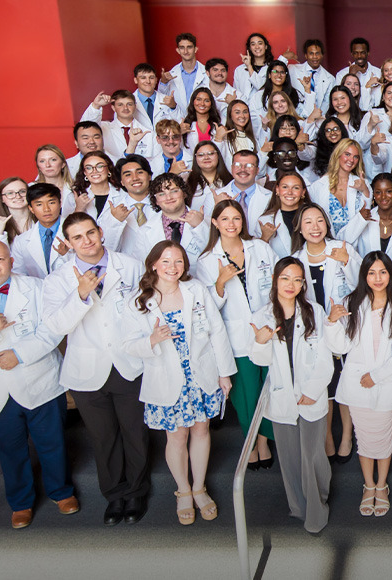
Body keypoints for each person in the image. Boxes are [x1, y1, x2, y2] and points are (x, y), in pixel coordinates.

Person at [43, 212, 150, 526]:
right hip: (86, 369)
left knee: (135, 432)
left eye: (90, 232)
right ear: (68, 243)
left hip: (128, 363)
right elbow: (55, 326)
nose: (86, 241)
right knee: (104, 438)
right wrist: (80, 294)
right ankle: (114, 494)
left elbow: (147, 309)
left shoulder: (130, 265)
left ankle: (136, 491)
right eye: (77, 237)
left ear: (101, 231)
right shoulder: (57, 279)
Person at [121, 241, 236, 525]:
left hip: (200, 374)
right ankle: (183, 490)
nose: (172, 267)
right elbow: (127, 344)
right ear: (153, 264)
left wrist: (224, 373)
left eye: (178, 261)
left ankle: (199, 488)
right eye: (166, 261)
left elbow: (217, 330)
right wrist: (152, 339)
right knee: (177, 436)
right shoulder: (138, 300)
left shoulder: (195, 289)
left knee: (201, 430)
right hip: (166, 378)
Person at [0, 240, 76, 529]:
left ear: (11, 261)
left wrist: (19, 354)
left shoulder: (37, 288)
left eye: (0, 259)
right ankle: (21, 502)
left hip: (38, 377)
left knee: (52, 441)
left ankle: (61, 492)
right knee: (8, 450)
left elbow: (53, 329)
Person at [249, 257, 349, 533]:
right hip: (282, 394)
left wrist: (312, 390)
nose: (290, 285)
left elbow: (327, 357)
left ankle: (316, 511)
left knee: (312, 456)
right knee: (290, 457)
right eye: (285, 278)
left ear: (303, 283)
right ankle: (298, 507)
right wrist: (260, 342)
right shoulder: (261, 316)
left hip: (311, 392)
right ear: (275, 280)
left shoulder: (315, 311)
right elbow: (260, 360)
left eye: (296, 279)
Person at [194, 200, 277, 470]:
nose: (231, 224)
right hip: (236, 338)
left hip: (267, 330)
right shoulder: (207, 260)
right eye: (225, 219)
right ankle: (250, 443)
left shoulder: (260, 248)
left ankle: (264, 442)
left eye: (236, 218)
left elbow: (278, 284)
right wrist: (220, 282)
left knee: (270, 390)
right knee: (246, 396)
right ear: (215, 223)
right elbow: (206, 308)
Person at [335, 251, 392, 517]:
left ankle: (381, 485)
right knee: (363, 438)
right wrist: (332, 323)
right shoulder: (351, 302)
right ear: (363, 276)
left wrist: (377, 376)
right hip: (357, 383)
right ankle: (368, 485)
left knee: (383, 438)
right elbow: (340, 346)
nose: (377, 278)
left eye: (383, 272)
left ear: (390, 274)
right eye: (371, 273)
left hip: (386, 382)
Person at [289, 203, 360, 463]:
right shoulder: (296, 259)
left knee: (346, 383)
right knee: (324, 385)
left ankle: (347, 437)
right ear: (299, 228)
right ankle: (328, 437)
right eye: (308, 222)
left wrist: (347, 262)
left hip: (343, 324)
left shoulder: (341, 248)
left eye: (319, 220)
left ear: (326, 224)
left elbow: (362, 283)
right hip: (313, 329)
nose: (315, 227)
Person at [10, 183, 68, 279]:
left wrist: (67, 254)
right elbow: (19, 275)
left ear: (60, 203)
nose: (46, 209)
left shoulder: (77, 232)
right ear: (31, 208)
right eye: (39, 204)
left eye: (51, 203)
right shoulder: (21, 241)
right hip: (36, 288)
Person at [0, 178, 34, 244]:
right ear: (1, 199)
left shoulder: (42, 219)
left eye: (22, 191)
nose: (18, 196)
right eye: (10, 193)